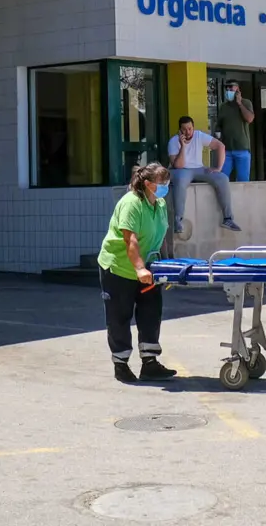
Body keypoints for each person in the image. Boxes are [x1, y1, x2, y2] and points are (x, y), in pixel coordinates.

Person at [96, 162, 178, 384]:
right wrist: (139, 268)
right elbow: (130, 239)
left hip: (149, 270)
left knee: (151, 312)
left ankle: (150, 363)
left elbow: (161, 236)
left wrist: (167, 265)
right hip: (119, 268)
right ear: (148, 184)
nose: (166, 187)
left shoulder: (159, 204)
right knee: (119, 316)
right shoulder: (131, 203)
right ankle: (120, 364)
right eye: (162, 184)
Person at [167, 115, 241, 235]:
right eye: (184, 129)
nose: (188, 132)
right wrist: (183, 146)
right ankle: (178, 220)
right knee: (181, 180)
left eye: (190, 128)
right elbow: (178, 165)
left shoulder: (199, 135)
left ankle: (228, 219)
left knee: (222, 178)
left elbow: (220, 146)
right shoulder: (173, 142)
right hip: (181, 170)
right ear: (179, 130)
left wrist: (218, 168)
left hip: (199, 168)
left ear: (193, 128)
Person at [216, 79, 254, 182]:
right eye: (226, 88)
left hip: (242, 148)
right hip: (226, 149)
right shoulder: (223, 107)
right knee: (222, 178)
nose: (228, 90)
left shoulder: (246, 103)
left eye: (231, 87)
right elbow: (219, 124)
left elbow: (249, 119)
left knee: (243, 179)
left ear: (237, 89)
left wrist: (239, 103)